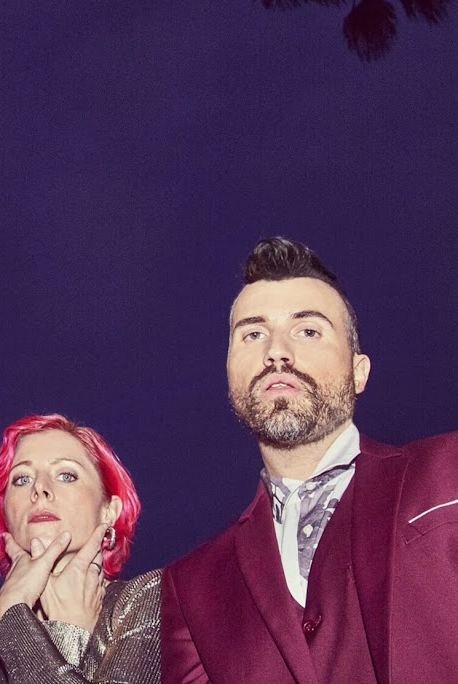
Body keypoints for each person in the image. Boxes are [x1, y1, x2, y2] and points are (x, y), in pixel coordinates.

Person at [161, 236, 458, 683]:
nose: (276, 351)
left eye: (308, 331)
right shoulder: (190, 587)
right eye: (253, 334)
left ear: (358, 372)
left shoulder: (448, 470)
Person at [0, 414, 162, 683]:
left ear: (109, 510)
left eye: (66, 475)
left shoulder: (148, 599)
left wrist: (17, 618)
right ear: (6, 514)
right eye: (22, 479)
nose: (40, 488)